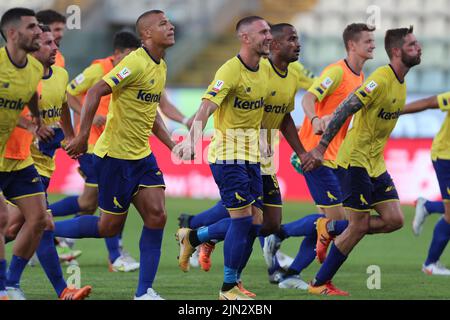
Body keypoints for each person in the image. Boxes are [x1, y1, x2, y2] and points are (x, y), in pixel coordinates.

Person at [174, 23, 320, 298]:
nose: (267, 36)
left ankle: (194, 236)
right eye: (263, 33)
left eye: (269, 32)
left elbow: (275, 113)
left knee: (260, 224)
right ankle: (228, 286)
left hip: (254, 157)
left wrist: (267, 139)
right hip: (228, 156)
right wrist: (192, 140)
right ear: (245, 37)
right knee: (243, 222)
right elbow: (206, 107)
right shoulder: (231, 69)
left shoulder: (269, 72)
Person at [56, 10, 176, 300]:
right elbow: (96, 90)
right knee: (108, 227)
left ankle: (144, 291)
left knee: (157, 216)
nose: (170, 27)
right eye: (163, 24)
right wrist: (82, 135)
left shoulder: (160, 65)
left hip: (142, 157)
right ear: (146, 34)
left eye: (169, 22)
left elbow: (152, 115)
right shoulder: (134, 62)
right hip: (114, 158)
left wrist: (172, 145)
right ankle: (45, 228)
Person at [304, 26, 422, 296]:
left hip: (375, 164)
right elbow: (347, 106)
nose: (419, 48)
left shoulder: (401, 84)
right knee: (357, 227)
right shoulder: (380, 79)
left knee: (394, 220)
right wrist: (321, 146)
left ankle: (331, 227)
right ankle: (320, 282)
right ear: (396, 51)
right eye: (412, 45)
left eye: (418, 44)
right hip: (354, 162)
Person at [264, 23, 376, 289]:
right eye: (368, 41)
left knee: (325, 227)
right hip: (315, 155)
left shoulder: (360, 77)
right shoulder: (336, 72)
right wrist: (314, 118)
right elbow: (308, 98)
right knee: (339, 222)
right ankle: (278, 235)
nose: (373, 44)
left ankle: (290, 273)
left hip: (335, 157)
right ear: (352, 45)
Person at [3, 25, 91, 300]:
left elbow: (63, 104)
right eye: (48, 43)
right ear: (31, 45)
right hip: (20, 157)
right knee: (38, 222)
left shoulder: (60, 74)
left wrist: (71, 137)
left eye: (56, 42)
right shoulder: (19, 72)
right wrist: (33, 128)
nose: (55, 48)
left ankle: (13, 285)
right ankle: (53, 289)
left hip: (41, 161)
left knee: (26, 224)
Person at [50, 30, 142, 271]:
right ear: (117, 54)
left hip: (113, 145)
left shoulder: (132, 72)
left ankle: (45, 224)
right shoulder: (98, 69)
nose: (132, 59)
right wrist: (87, 116)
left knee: (89, 202)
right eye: (129, 55)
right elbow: (68, 92)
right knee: (105, 198)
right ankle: (115, 256)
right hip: (91, 144)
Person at [0, 7, 47, 300]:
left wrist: (36, 117)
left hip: (14, 157)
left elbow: (29, 91)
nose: (38, 33)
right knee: (2, 218)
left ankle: (13, 284)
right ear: (13, 33)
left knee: (40, 219)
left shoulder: (35, 69)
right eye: (32, 27)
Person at [401, 93, 450, 275]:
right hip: (446, 156)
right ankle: (430, 264)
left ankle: (427, 206)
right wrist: (397, 111)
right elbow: (430, 102)